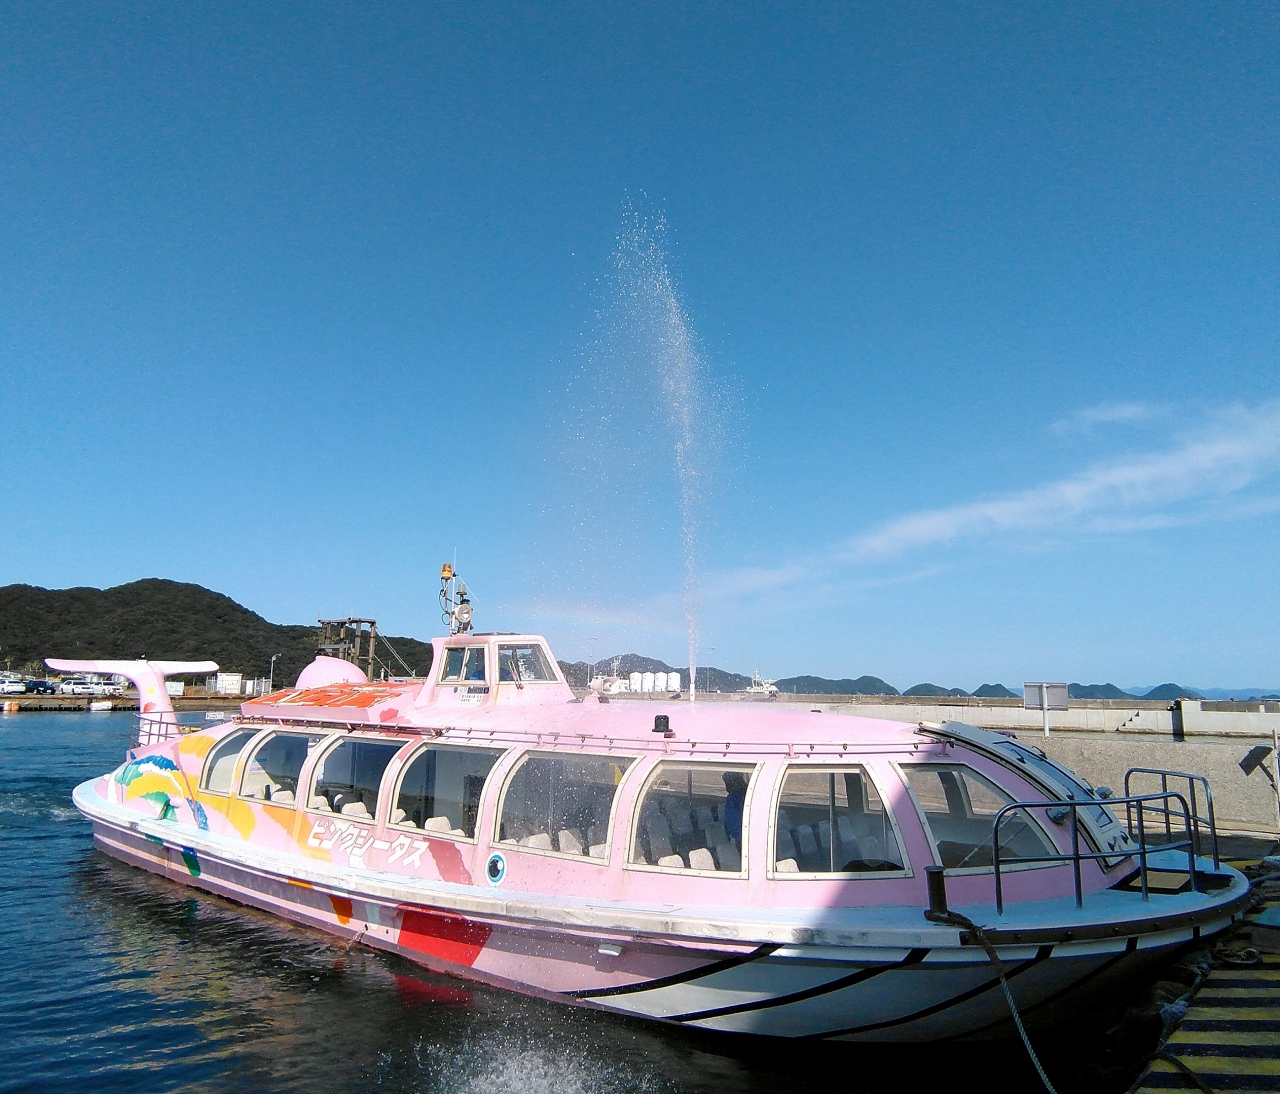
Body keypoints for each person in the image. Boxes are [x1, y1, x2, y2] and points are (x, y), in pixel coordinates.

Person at [722, 771, 748, 846]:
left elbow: (731, 820)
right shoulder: (749, 792)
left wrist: (736, 836)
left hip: (740, 837)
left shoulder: (732, 798)